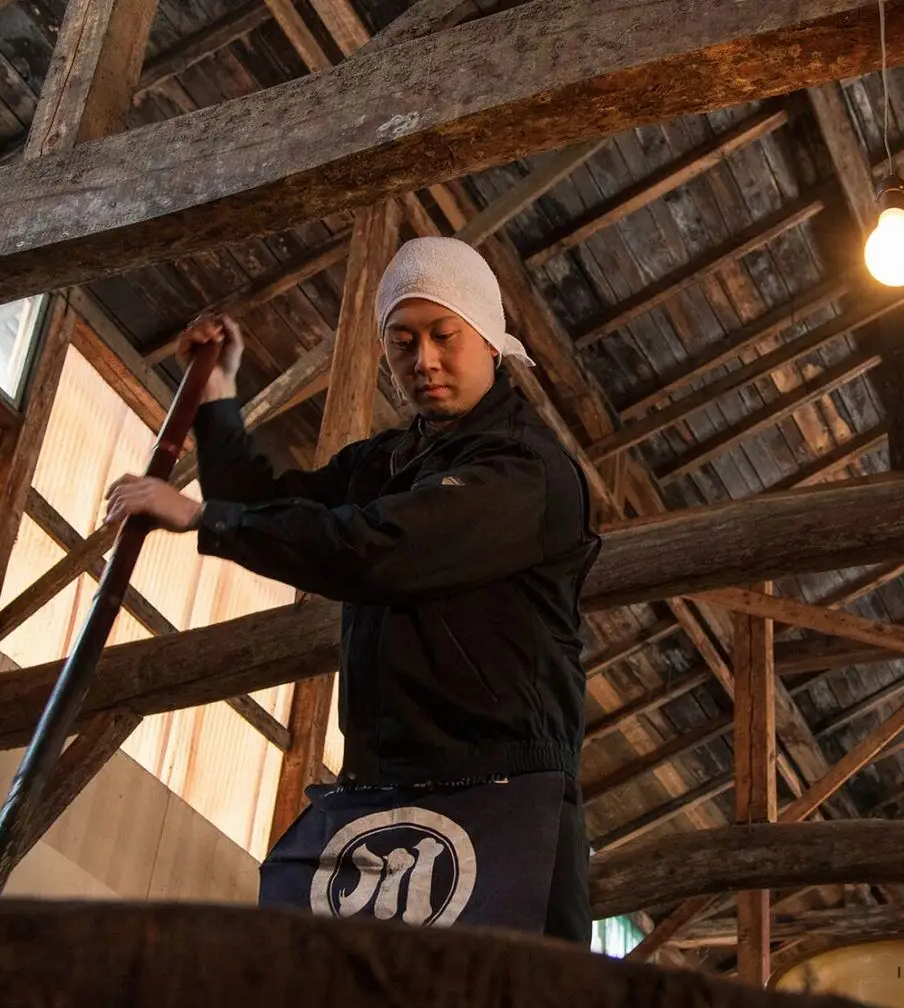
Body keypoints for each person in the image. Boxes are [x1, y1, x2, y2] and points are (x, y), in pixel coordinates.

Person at [104, 237, 600, 943]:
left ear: (490, 339)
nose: (423, 361)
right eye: (402, 341)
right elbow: (268, 501)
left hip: (504, 793)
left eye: (443, 335)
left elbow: (377, 551)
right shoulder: (387, 462)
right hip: (382, 788)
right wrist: (218, 397)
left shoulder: (529, 472)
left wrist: (209, 519)